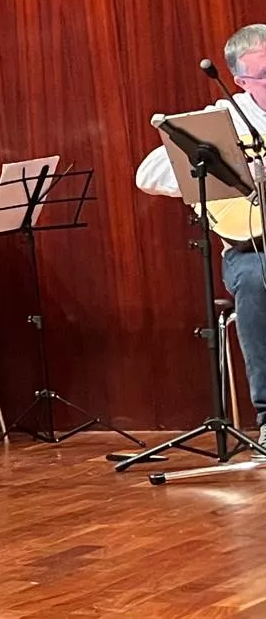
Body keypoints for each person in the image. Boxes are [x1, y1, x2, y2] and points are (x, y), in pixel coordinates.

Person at [136, 23, 266, 454]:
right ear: (240, 82)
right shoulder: (225, 118)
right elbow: (148, 174)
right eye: (264, 75)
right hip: (252, 248)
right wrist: (222, 171)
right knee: (255, 279)